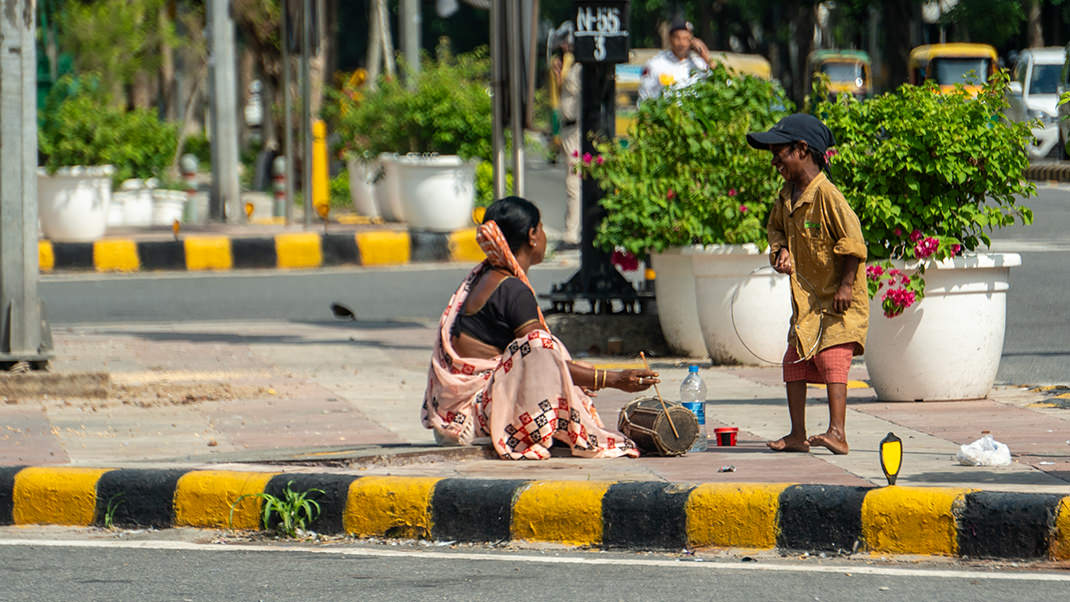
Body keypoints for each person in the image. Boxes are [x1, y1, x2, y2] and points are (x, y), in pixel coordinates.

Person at [421, 196, 659, 460]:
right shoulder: (512, 289)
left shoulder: (485, 277)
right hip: (471, 422)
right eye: (542, 228)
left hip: (450, 418)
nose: (544, 235)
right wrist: (613, 379)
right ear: (533, 235)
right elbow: (544, 360)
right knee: (543, 346)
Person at [745, 114, 868, 456]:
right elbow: (776, 231)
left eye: (779, 152)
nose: (774, 161)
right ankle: (797, 433)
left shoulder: (829, 197)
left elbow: (854, 244)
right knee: (794, 363)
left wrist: (845, 286)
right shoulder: (786, 197)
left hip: (837, 302)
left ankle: (837, 432)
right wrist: (781, 250)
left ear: (801, 150)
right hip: (806, 304)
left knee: (832, 358)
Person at [550, 27, 582, 247]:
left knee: (574, 181)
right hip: (568, 128)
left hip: (577, 128)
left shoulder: (580, 67)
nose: (563, 47)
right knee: (572, 180)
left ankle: (572, 233)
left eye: (566, 42)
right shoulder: (569, 65)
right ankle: (572, 230)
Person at [637, 19, 713, 104]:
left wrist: (706, 57)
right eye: (677, 38)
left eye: (686, 39)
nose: (682, 43)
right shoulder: (655, 64)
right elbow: (645, 94)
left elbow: (720, 82)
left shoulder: (700, 64)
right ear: (670, 38)